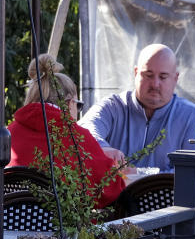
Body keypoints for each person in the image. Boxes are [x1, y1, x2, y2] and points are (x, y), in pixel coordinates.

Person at [8, 54, 124, 209]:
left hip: (7, 226)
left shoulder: (9, 133)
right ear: (69, 103)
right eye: (78, 105)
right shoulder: (77, 137)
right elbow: (111, 189)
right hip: (63, 231)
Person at [78, 43, 195, 171]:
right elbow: (83, 130)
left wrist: (138, 177)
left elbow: (190, 174)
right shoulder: (112, 107)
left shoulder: (193, 118)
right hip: (113, 193)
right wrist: (102, 147)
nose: (155, 84)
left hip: (169, 193)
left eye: (163, 77)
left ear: (175, 78)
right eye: (148, 75)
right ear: (136, 73)